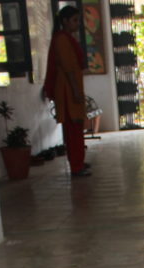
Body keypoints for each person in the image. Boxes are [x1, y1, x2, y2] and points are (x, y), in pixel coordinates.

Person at [43, 5, 89, 177]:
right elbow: (68, 68)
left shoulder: (67, 38)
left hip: (72, 88)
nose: (78, 24)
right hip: (68, 90)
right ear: (65, 21)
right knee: (73, 130)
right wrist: (76, 90)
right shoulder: (62, 39)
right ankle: (76, 167)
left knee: (77, 128)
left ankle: (79, 162)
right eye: (75, 20)